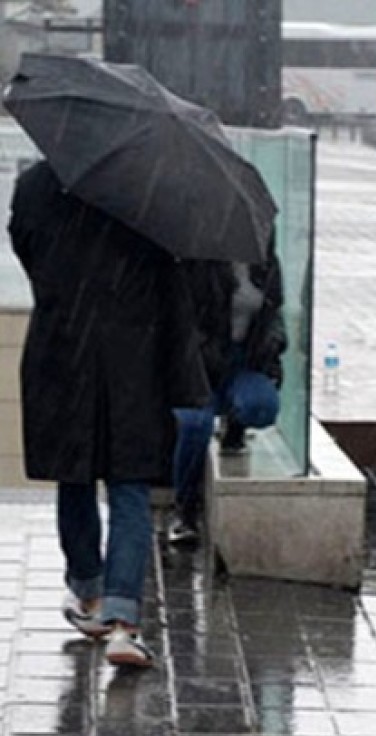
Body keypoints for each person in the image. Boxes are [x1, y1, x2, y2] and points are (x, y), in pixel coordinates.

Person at [7, 161, 208, 668]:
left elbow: (27, 251)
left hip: (62, 350)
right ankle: (124, 623)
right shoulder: (147, 188)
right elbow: (171, 282)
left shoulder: (36, 185)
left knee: (74, 476)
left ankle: (89, 592)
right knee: (129, 485)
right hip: (131, 359)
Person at [168, 247, 287, 544]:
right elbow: (180, 318)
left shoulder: (264, 264)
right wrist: (199, 352)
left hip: (242, 362)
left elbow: (274, 314)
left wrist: (273, 346)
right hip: (199, 365)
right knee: (195, 425)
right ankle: (184, 508)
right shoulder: (197, 261)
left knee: (262, 407)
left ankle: (235, 425)